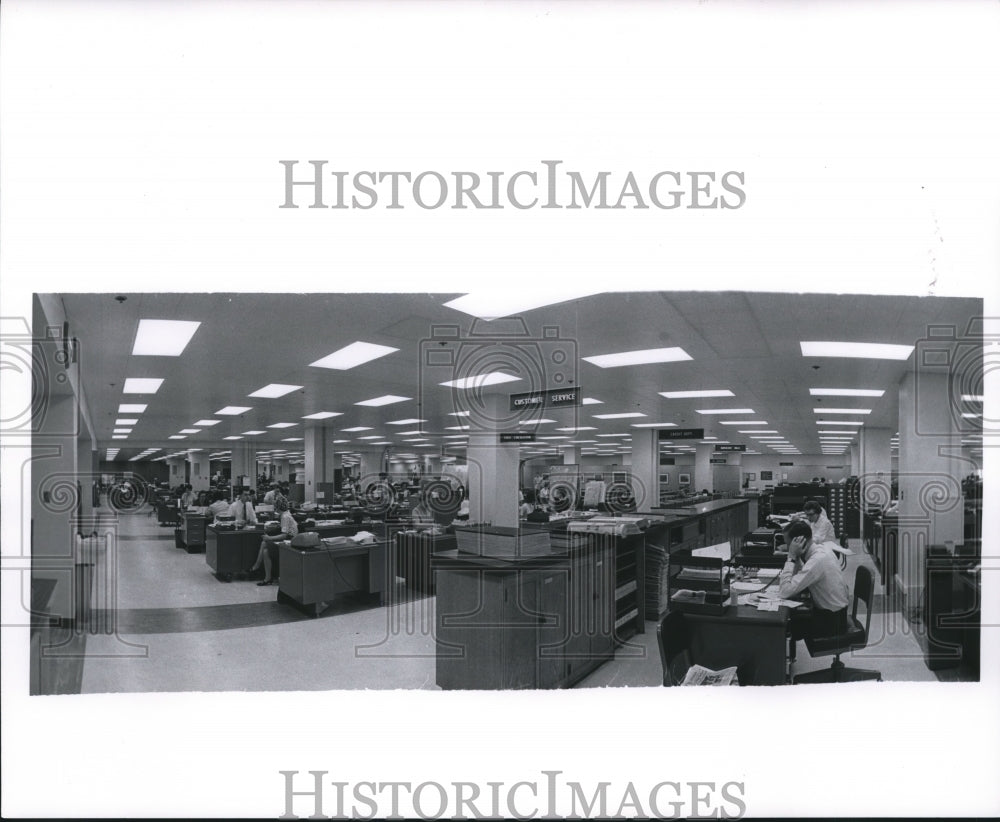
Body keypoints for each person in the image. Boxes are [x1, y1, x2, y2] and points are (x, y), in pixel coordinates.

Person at [778, 520, 850, 651]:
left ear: (800, 541)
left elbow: (784, 591)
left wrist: (791, 557)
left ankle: (782, 668)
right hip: (837, 615)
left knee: (780, 626)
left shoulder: (817, 560)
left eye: (789, 545)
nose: (788, 548)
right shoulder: (821, 550)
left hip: (831, 622)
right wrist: (797, 557)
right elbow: (803, 575)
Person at [250, 494, 297, 585]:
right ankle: (259, 568)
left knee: (265, 548)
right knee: (265, 546)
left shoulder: (284, 517)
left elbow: (284, 535)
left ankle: (260, 571)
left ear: (278, 507)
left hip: (289, 543)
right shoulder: (287, 513)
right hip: (289, 540)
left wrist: (269, 538)